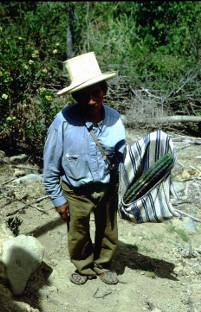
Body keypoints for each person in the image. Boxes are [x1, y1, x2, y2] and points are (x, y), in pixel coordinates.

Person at [43, 52, 126, 285]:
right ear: (75, 97)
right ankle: (84, 268)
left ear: (104, 91)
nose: (91, 100)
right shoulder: (63, 121)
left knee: (108, 230)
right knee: (77, 232)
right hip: (75, 189)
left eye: (96, 93)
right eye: (84, 95)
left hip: (107, 186)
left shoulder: (115, 119)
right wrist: (57, 198)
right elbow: (50, 164)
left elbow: (123, 158)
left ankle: (102, 265)